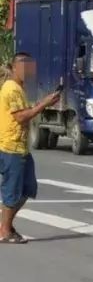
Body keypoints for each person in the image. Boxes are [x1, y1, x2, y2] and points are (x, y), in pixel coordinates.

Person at [0, 53, 61, 244]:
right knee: (12, 191)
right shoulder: (10, 89)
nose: (28, 70)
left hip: (22, 147)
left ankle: (5, 226)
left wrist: (43, 102)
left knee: (28, 188)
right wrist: (43, 104)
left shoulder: (19, 88)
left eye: (30, 66)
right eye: (23, 65)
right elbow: (20, 117)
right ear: (14, 67)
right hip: (11, 147)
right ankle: (5, 231)